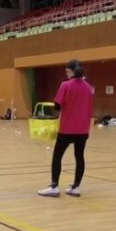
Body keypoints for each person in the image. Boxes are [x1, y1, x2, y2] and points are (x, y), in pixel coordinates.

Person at [38, 59, 93, 197]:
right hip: (83, 129)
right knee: (79, 156)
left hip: (67, 128)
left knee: (57, 156)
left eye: (67, 71)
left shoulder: (66, 85)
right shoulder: (88, 87)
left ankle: (54, 186)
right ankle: (76, 187)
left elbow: (57, 106)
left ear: (70, 71)